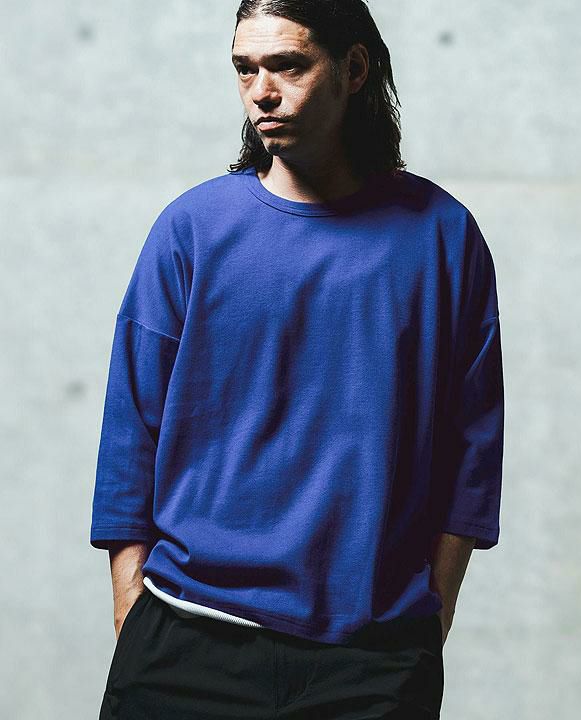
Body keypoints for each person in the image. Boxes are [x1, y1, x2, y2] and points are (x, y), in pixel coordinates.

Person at [90, 1, 504, 718]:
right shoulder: (192, 229)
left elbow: (474, 447)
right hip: (187, 635)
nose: (262, 92)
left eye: (287, 66)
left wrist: (429, 618)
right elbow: (131, 427)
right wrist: (132, 608)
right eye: (245, 69)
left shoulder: (442, 236)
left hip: (371, 658)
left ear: (353, 69)